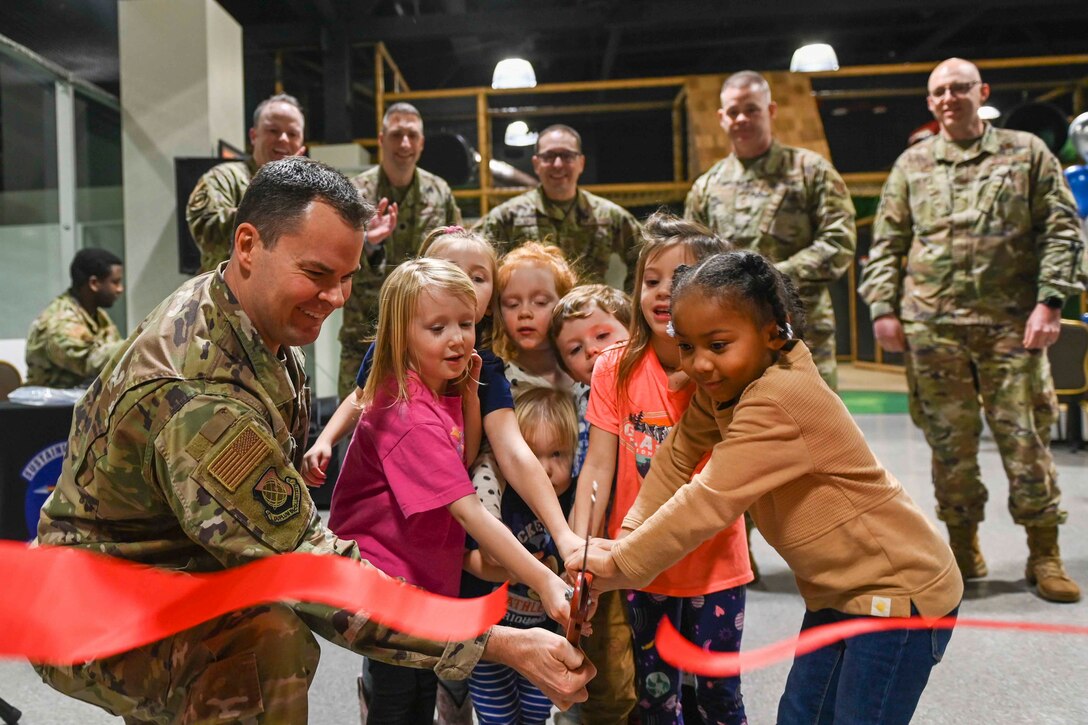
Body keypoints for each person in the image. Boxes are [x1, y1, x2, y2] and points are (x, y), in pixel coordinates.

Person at [34, 157, 593, 724]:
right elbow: (313, 573)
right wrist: (497, 643)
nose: (335, 297)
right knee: (264, 646)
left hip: (180, 560)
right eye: (318, 274)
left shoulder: (252, 319)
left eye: (348, 278)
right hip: (94, 597)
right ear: (248, 245)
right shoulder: (201, 395)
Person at [575, 250, 963, 724]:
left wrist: (622, 564)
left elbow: (709, 500)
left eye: (718, 345)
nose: (699, 365)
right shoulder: (728, 388)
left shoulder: (779, 398)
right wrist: (630, 535)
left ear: (774, 333)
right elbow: (677, 456)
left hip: (897, 597)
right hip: (836, 593)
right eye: (688, 346)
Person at [858, 57, 1084, 604]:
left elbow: (1060, 228)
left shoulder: (1026, 152)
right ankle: (962, 547)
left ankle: (1044, 554)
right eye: (939, 91)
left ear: (981, 92)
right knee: (948, 448)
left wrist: (1050, 302)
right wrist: (882, 309)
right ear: (930, 102)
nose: (949, 98)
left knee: (1025, 441)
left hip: (1012, 327)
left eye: (960, 88)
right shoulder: (912, 165)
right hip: (933, 331)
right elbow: (888, 243)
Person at [325, 258, 572, 723]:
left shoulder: (439, 387)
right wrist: (544, 580)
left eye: (465, 323)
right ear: (401, 337)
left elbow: (463, 453)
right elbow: (471, 511)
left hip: (419, 569)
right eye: (437, 327)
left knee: (421, 689)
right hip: (386, 580)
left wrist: (473, 395)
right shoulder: (408, 413)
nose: (457, 337)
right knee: (399, 701)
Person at [571, 214, 751, 724]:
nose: (662, 292)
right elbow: (597, 469)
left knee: (720, 697)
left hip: (715, 564)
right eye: (651, 280)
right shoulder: (614, 366)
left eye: (681, 279)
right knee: (654, 699)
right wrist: (582, 549)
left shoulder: (727, 371)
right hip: (639, 563)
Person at [684, 70, 856, 390]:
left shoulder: (810, 171)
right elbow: (692, 259)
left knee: (813, 426)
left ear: (771, 111)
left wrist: (774, 280)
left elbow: (839, 240)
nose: (742, 119)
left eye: (752, 109)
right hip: (730, 336)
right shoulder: (706, 187)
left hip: (800, 328)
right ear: (722, 117)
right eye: (733, 112)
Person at [465, 386, 580, 725]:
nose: (545, 469)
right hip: (492, 638)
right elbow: (472, 562)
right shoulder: (502, 504)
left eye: (557, 454)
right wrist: (521, 571)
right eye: (534, 455)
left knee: (534, 713)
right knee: (498, 717)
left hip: (543, 635)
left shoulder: (569, 506)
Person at [549, 285, 637, 725]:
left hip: (653, 544)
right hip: (604, 550)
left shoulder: (651, 387)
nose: (593, 351)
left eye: (603, 335)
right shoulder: (581, 402)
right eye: (576, 349)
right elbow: (590, 475)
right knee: (609, 654)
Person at [339, 102, 463, 399]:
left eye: (412, 135)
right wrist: (368, 244)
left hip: (429, 342)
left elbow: (458, 260)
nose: (404, 144)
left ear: (421, 143)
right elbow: (333, 261)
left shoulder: (439, 191)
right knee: (358, 429)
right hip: (365, 337)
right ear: (381, 140)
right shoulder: (353, 193)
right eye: (396, 135)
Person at [475, 125, 641, 289]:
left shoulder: (608, 215)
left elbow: (645, 255)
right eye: (548, 156)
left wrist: (628, 304)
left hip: (588, 313)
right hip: (531, 313)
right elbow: (473, 258)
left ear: (581, 163)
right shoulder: (508, 216)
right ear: (536, 164)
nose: (558, 164)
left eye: (567, 156)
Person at [186, 93, 306, 275]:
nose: (283, 139)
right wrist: (273, 194)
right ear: (253, 135)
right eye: (273, 130)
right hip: (230, 298)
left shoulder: (307, 192)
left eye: (292, 133)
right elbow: (208, 233)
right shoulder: (224, 178)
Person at [24, 247, 125, 388]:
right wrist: (138, 345)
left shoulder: (97, 315)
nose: (120, 289)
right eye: (115, 282)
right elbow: (88, 362)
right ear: (94, 283)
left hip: (81, 402)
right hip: (50, 407)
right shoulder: (60, 319)